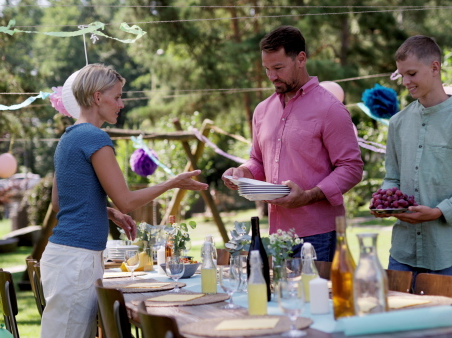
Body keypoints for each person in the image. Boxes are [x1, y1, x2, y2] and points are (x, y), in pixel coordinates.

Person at [40, 64, 208, 338]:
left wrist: (106, 212)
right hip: (77, 261)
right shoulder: (95, 137)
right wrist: (171, 182)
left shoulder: (68, 137)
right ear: (97, 97)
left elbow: (60, 203)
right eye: (117, 96)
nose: (122, 103)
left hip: (63, 257)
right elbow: (127, 201)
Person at [222, 26, 364, 262]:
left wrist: (308, 196)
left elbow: (351, 168)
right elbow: (258, 159)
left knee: (318, 299)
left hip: (319, 235)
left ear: (301, 59)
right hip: (276, 234)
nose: (272, 76)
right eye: (267, 69)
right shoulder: (262, 110)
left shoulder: (330, 109)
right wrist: (243, 172)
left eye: (278, 68)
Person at [373, 35, 452, 280]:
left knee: (442, 319)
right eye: (402, 74)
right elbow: (392, 177)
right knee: (396, 316)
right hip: (402, 250)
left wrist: (439, 211)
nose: (405, 81)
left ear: (434, 67)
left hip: (445, 251)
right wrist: (385, 202)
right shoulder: (397, 123)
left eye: (412, 73)